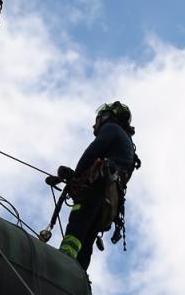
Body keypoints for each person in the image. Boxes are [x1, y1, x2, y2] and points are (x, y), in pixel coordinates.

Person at [58, 101, 140, 270]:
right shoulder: (127, 144)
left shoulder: (111, 128)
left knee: (78, 222)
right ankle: (78, 274)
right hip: (109, 202)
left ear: (105, 117)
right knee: (87, 238)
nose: (93, 124)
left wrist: (75, 176)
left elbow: (91, 153)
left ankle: (64, 260)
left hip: (97, 187)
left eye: (97, 119)